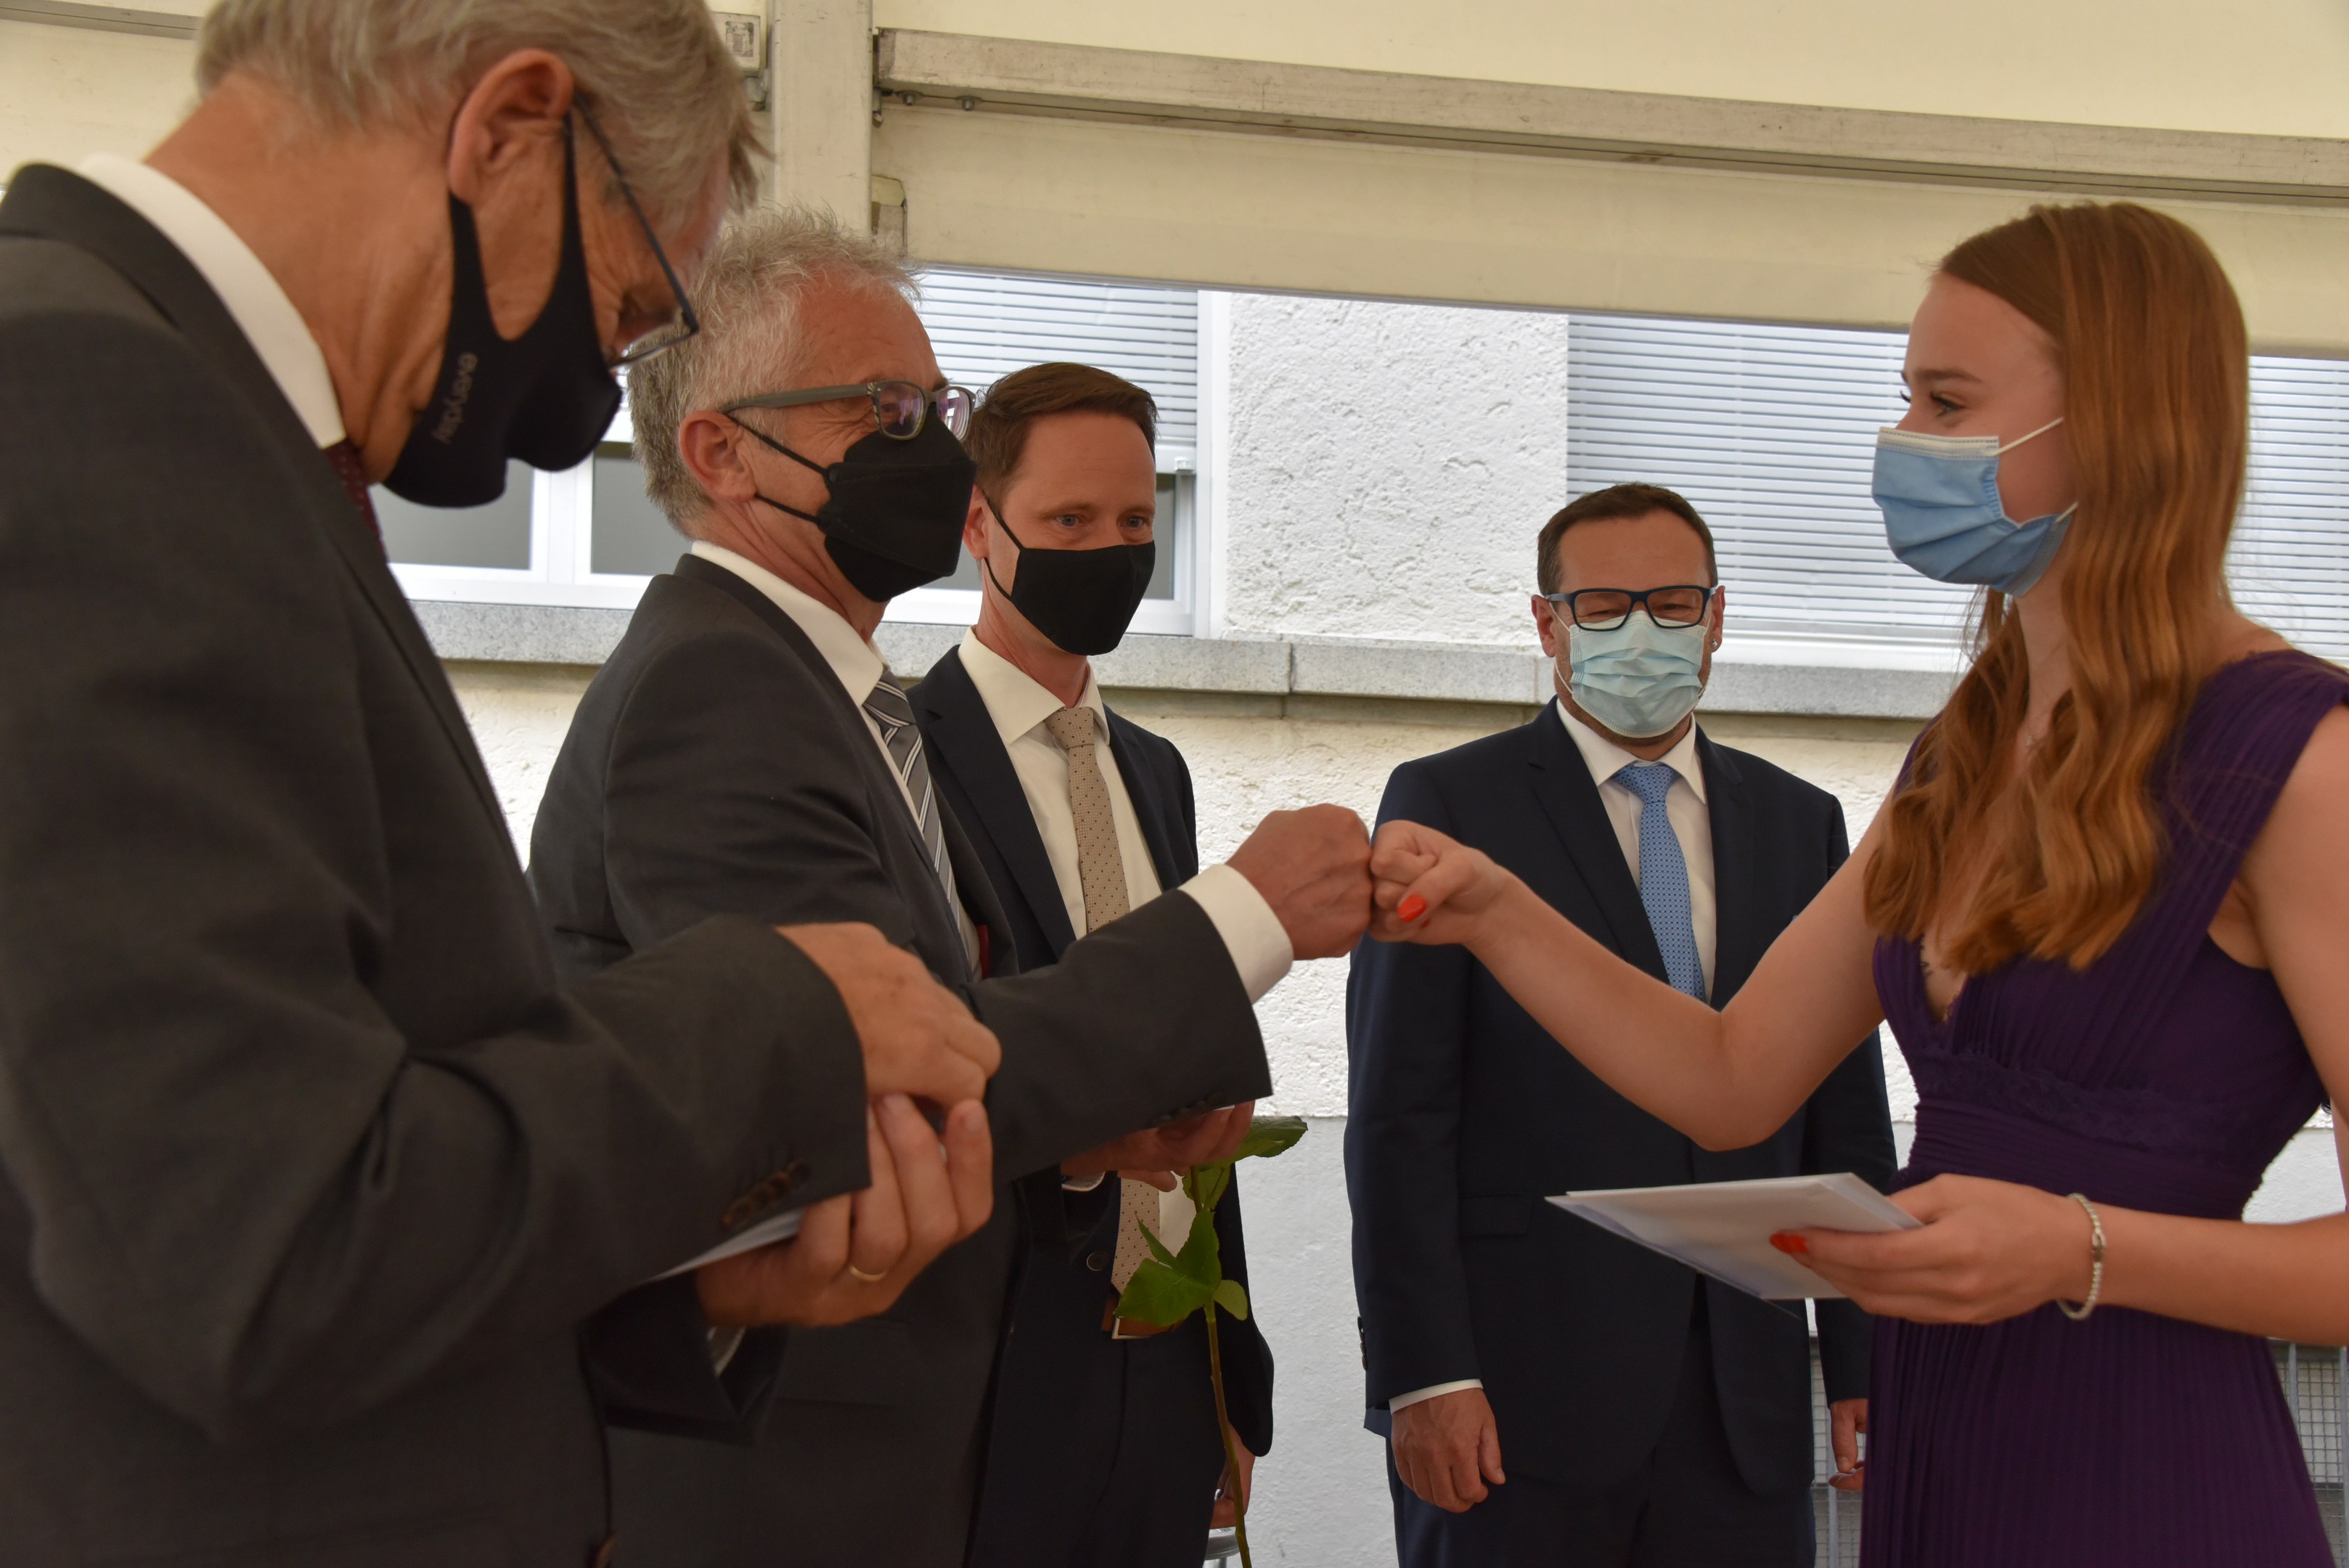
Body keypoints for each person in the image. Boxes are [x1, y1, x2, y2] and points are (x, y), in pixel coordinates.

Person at [0, 5, 1001, 1567]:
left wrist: (671, 1279)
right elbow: (251, 1246)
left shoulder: (193, 423)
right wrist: (779, 1018)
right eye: (625, 307)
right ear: (512, 128)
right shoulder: (89, 399)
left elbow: (265, 1172)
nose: (592, 398)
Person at [1371, 200, 2349, 1567]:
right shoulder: (1965, 752)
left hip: (2150, 1466)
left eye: (1948, 403)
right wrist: (1494, 910)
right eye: (1907, 399)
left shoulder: (2304, 762)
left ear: (2122, 424)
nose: (1902, 444)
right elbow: (1732, 1077)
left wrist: (2080, 1250)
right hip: (1950, 1446)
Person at [526, 210, 1371, 1568]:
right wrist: (1249, 914)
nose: (929, 447)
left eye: (937, 406)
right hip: (790, 1486)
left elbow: (925, 1042)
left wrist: (1092, 1140)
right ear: (720, 452)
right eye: (879, 410)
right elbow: (873, 1081)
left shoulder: (831, 694)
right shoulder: (719, 688)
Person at [1347, 482, 1895, 1567]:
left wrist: (1864, 1359)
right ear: (1547, 624)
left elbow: (1846, 1106)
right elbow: (1400, 1115)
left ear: (1717, 618)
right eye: (1602, 607)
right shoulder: (1451, 805)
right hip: (1520, 1398)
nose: (1641, 631)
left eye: (1674, 603)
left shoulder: (1801, 821)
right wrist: (1425, 1376)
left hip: (1745, 1397)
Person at [911, 362, 1278, 1567]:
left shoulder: (1155, 771)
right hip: (996, 1370)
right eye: (1068, 521)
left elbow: (1195, 1067)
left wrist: (1230, 1368)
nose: (1110, 552)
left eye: (1133, 522)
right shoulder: (898, 753)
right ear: (980, 525)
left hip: (1165, 1366)